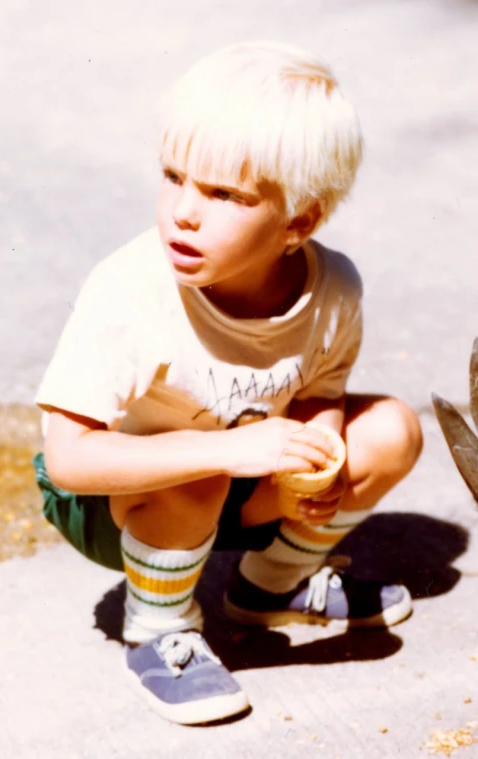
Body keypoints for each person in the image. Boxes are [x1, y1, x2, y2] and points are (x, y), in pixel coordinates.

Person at [33, 41, 423, 725]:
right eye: (173, 177)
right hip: (117, 493)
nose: (183, 211)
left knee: (392, 428)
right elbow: (68, 460)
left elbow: (318, 389)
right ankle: (158, 631)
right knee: (198, 471)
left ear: (298, 222)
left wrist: (319, 456)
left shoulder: (332, 289)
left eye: (223, 194)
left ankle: (271, 586)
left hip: (242, 473)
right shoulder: (131, 292)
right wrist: (225, 454)